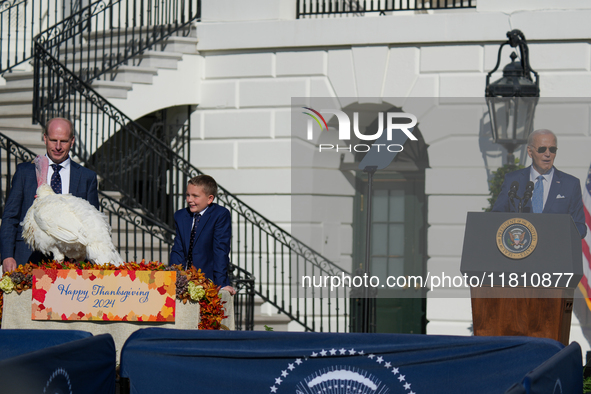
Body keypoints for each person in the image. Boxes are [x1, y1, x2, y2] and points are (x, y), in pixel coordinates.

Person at [0, 118, 99, 273]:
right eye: (53, 140)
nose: (58, 147)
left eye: (63, 141)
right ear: (45, 138)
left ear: (72, 141)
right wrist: (6, 256)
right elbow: (10, 217)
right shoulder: (25, 173)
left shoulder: (87, 177)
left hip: (70, 265)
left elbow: (93, 226)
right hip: (27, 259)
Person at [492, 129, 587, 238]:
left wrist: (558, 235)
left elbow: (579, 226)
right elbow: (496, 218)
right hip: (520, 249)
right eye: (542, 149)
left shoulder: (570, 184)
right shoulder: (513, 181)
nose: (548, 154)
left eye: (552, 149)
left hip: (555, 250)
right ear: (530, 151)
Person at [170, 175, 236, 295]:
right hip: (184, 281)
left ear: (210, 199)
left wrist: (221, 283)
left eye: (195, 196)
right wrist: (173, 277)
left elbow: (220, 250)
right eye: (188, 195)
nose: (190, 200)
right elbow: (178, 250)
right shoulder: (181, 216)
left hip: (209, 281)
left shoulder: (219, 215)